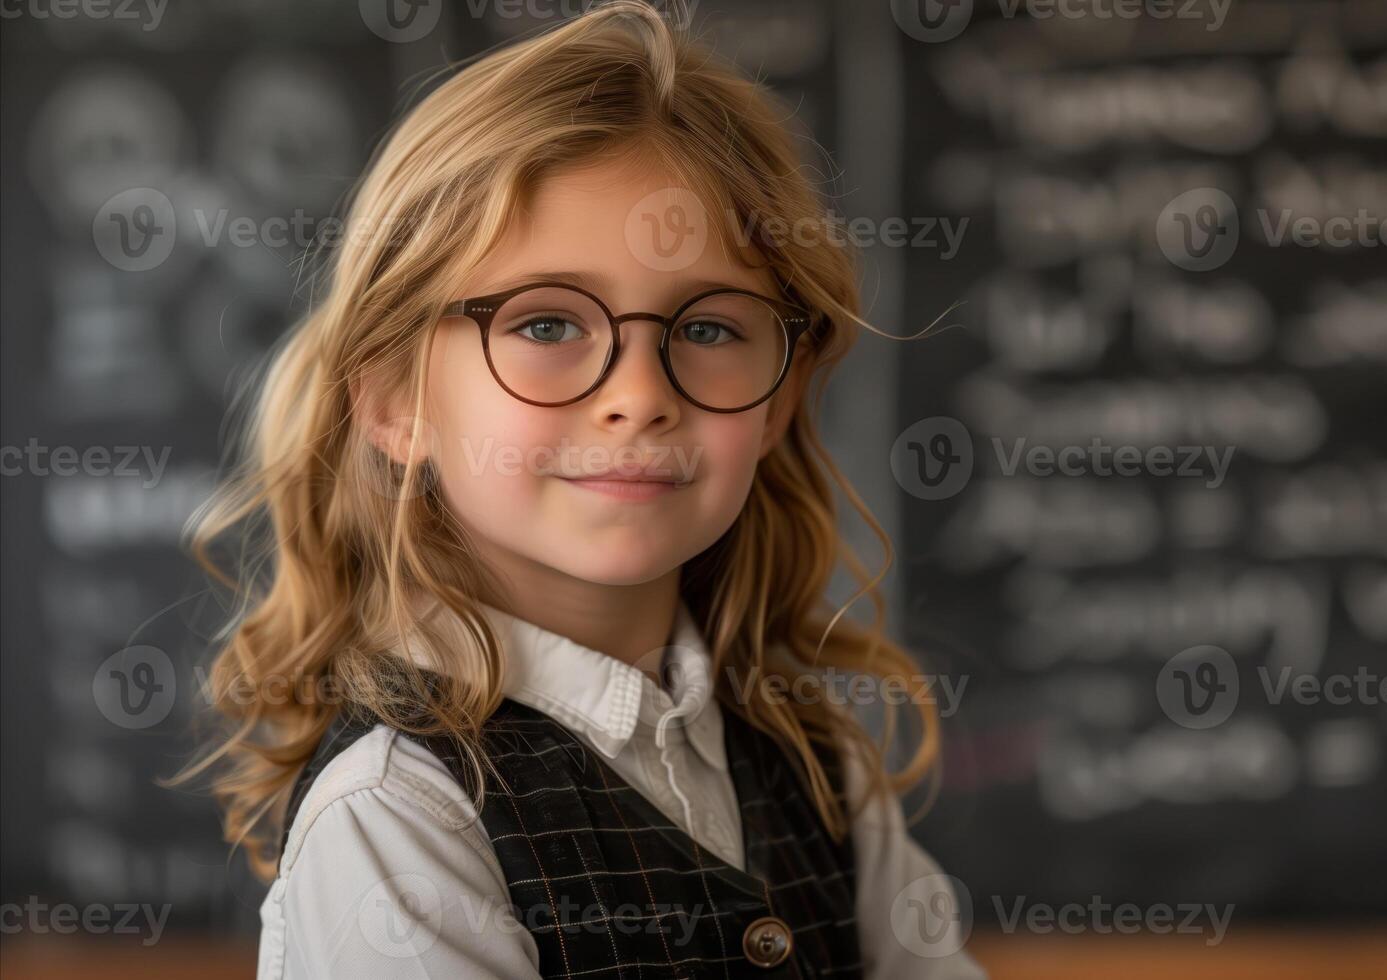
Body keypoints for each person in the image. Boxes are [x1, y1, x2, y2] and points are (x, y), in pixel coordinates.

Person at [169, 3, 981, 976]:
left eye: (711, 328)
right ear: (393, 397)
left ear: (780, 397)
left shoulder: (820, 768)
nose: (638, 397)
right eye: (547, 324)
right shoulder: (399, 817)